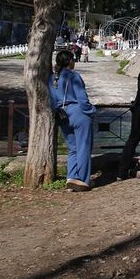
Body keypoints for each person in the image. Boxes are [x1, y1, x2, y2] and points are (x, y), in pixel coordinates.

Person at [48, 50, 96, 191]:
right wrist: (92, 111)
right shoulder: (73, 76)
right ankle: (83, 180)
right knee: (84, 147)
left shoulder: (52, 78)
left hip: (62, 114)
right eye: (73, 59)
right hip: (78, 113)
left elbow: (52, 100)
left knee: (72, 148)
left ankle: (71, 177)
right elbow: (83, 99)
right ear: (70, 61)